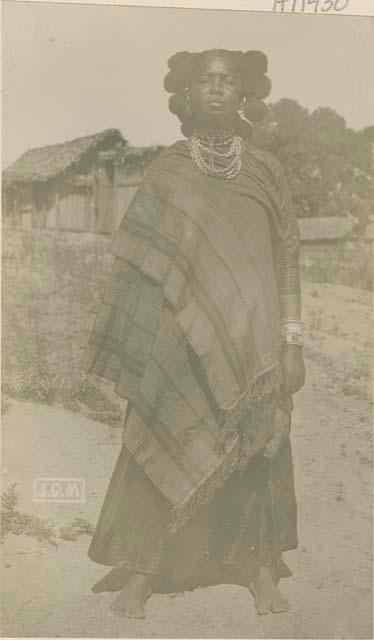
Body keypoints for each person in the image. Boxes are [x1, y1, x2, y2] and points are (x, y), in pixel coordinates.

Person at [82, 48, 306, 620]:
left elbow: (287, 260)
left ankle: (260, 570)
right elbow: (139, 263)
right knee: (159, 428)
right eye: (204, 79)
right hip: (176, 335)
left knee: (259, 445)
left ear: (244, 96)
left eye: (227, 80)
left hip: (253, 342)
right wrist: (141, 347)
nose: (216, 88)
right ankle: (141, 570)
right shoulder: (168, 169)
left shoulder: (266, 170)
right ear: (185, 95)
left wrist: (291, 342)